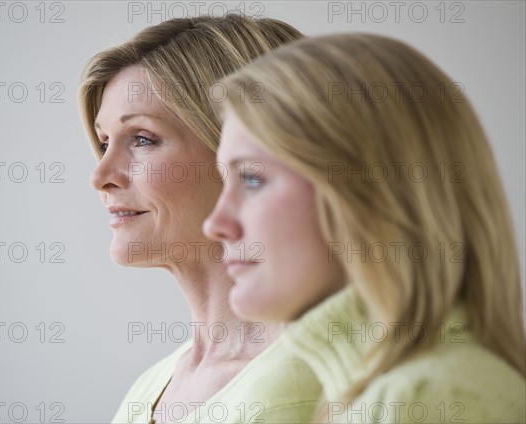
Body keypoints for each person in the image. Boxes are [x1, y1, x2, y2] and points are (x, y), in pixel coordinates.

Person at [203, 33, 526, 423]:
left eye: (252, 179)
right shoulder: (360, 400)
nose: (215, 224)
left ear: (370, 190)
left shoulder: (425, 398)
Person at [78, 14, 322, 424]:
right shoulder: (150, 387)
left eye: (142, 139)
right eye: (104, 143)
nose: (100, 177)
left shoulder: (330, 381)